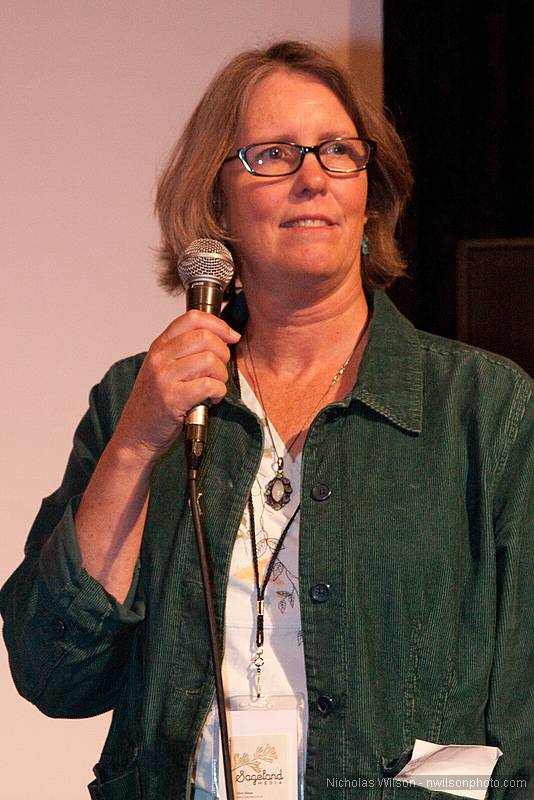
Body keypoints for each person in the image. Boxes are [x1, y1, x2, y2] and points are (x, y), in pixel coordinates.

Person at [1, 40, 533, 800]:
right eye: (275, 154)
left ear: (369, 194)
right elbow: (55, 673)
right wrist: (135, 445)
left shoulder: (487, 412)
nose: (313, 176)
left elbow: (527, 730)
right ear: (216, 202)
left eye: (338, 152)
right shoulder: (137, 399)